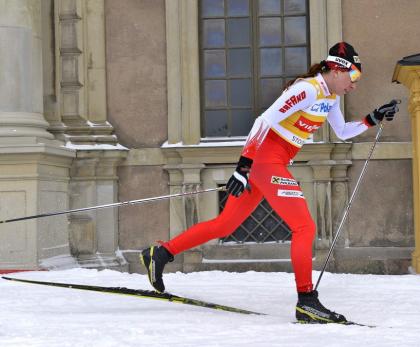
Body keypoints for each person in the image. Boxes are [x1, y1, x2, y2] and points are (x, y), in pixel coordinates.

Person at [141, 42, 399, 323]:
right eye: (354, 77)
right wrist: (244, 166)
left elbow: (342, 132)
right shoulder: (307, 89)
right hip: (265, 162)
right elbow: (263, 121)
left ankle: (161, 253)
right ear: (337, 70)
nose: (354, 85)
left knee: (225, 224)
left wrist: (372, 118)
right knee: (304, 226)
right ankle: (307, 301)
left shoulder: (331, 98)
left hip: (270, 164)